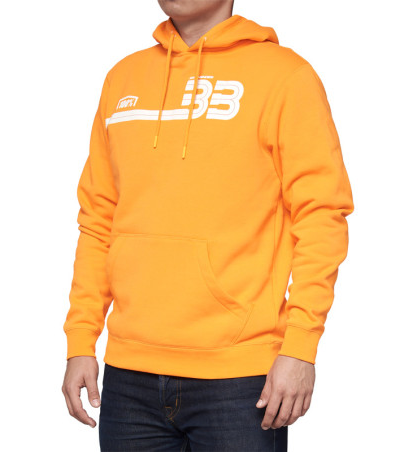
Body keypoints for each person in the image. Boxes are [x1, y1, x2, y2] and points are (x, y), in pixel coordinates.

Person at [61, 0, 354, 450]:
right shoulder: (123, 78)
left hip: (239, 376)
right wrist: (81, 339)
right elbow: (99, 218)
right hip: (128, 374)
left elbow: (321, 216)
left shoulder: (285, 77)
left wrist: (300, 347)